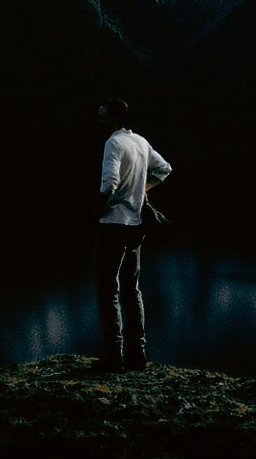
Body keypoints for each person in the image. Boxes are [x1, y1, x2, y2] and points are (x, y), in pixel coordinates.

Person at [93, 97, 172, 372]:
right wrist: (142, 190)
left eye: (102, 116)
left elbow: (110, 183)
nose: (99, 121)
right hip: (137, 225)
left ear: (114, 118)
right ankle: (138, 356)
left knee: (108, 289)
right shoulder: (140, 142)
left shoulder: (113, 143)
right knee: (131, 288)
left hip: (114, 224)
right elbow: (165, 168)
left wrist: (98, 207)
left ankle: (114, 356)